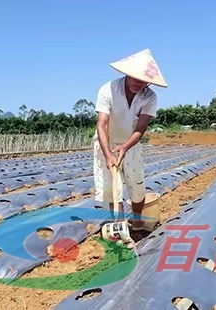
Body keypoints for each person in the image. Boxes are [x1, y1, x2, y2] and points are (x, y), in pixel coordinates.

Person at [93, 48, 168, 231]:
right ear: (127, 74)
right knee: (112, 187)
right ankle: (117, 224)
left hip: (130, 144)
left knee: (136, 184)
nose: (139, 84)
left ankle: (136, 222)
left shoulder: (149, 97)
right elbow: (101, 124)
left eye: (144, 81)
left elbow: (140, 128)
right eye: (136, 79)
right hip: (107, 142)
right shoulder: (108, 89)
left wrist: (125, 147)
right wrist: (108, 154)